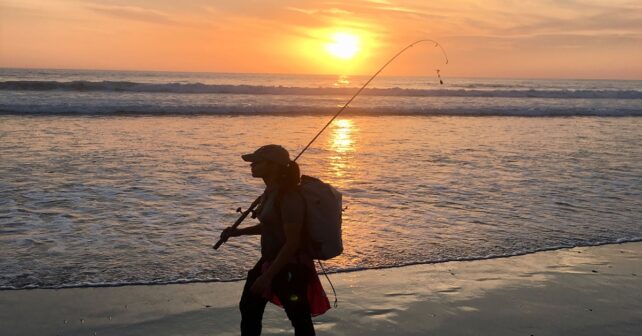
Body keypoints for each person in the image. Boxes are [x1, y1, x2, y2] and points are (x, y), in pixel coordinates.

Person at [220, 144, 330, 336]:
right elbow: (271, 227)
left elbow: (292, 241)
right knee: (249, 308)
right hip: (270, 261)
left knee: (299, 319)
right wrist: (239, 233)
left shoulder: (289, 197)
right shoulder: (270, 193)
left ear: (273, 165)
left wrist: (267, 276)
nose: (251, 165)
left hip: (290, 267)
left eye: (257, 162)